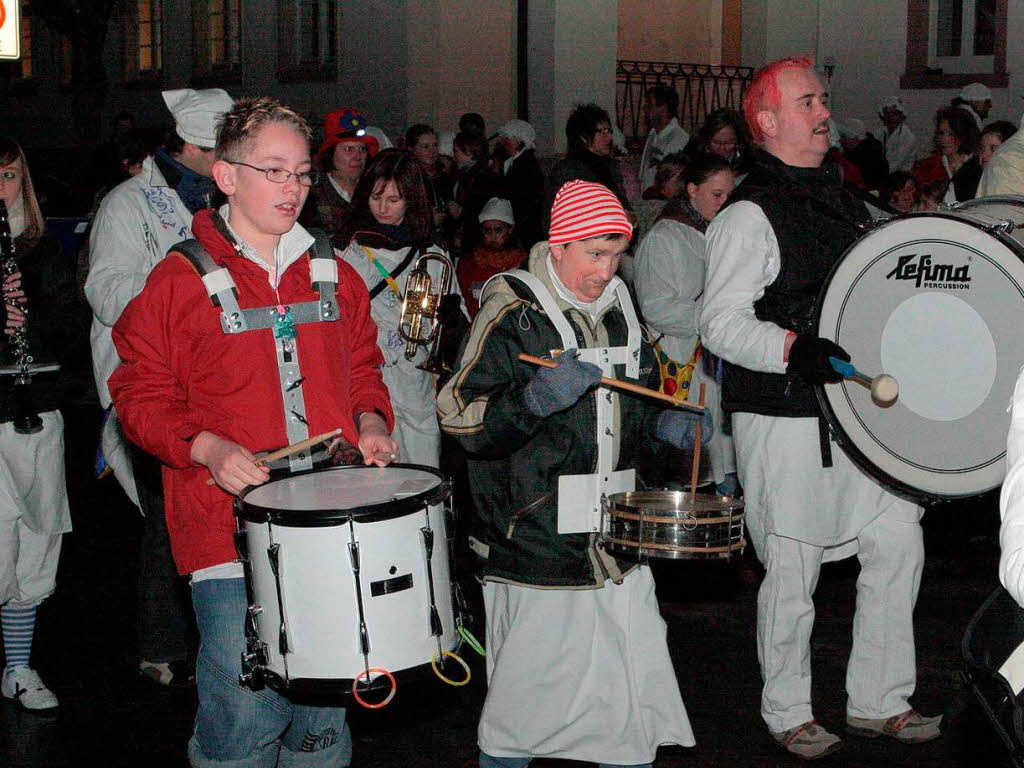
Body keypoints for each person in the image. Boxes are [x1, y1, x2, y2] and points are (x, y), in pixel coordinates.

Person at [108, 96, 397, 768]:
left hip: (327, 526)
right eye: (273, 171)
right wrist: (205, 447)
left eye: (300, 173)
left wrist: (372, 422)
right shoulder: (180, 279)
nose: (292, 189)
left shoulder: (332, 269)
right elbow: (139, 394)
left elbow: (362, 365)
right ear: (228, 177)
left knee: (322, 720)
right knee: (244, 713)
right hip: (223, 530)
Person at [700, 56, 941, 759]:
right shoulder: (747, 214)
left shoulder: (842, 199)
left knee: (898, 541)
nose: (824, 112)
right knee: (794, 570)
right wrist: (788, 347)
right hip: (782, 418)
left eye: (824, 99)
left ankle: (879, 700)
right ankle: (787, 710)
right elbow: (718, 322)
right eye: (808, 102)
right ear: (768, 122)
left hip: (858, 416)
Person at [438, 179, 704, 767]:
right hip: (535, 543)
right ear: (557, 245)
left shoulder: (622, 310)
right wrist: (531, 401)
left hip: (617, 542)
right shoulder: (512, 309)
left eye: (616, 255)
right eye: (593, 253)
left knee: (629, 702)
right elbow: (458, 414)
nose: (607, 270)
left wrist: (660, 428)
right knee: (522, 711)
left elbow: (634, 398)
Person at [85, 87, 234, 688]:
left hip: (213, 378)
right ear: (196, 147)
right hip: (152, 379)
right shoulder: (127, 204)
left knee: (210, 504)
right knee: (162, 514)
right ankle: (161, 643)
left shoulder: (223, 200)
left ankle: (216, 640)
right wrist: (176, 297)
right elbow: (105, 289)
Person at [0, 137, 88, 712]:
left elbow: (71, 329)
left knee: (36, 535)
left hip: (34, 411)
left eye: (7, 177)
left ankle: (19, 666)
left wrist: (29, 309)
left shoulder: (42, 252)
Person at [336, 148, 465, 468]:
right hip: (368, 375)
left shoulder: (432, 251)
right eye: (376, 197)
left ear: (412, 200)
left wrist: (450, 320)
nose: (383, 208)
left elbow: (455, 310)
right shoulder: (347, 249)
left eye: (394, 200)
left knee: (423, 467)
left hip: (417, 374)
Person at [634, 153, 737, 495]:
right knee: (688, 471)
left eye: (728, 196)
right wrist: (712, 317)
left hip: (714, 365)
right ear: (692, 190)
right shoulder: (664, 239)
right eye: (716, 195)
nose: (724, 203)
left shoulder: (716, 234)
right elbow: (656, 308)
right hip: (681, 365)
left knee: (721, 462)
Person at [545, 103, 631, 228]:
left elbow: (623, 205)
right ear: (584, 137)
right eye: (603, 132)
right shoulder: (569, 171)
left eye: (609, 131)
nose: (610, 137)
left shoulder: (610, 167)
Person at [300, 107, 379, 233]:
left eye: (362, 149)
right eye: (348, 149)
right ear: (330, 154)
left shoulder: (375, 193)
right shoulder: (311, 196)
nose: (358, 157)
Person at [456, 197, 527, 318]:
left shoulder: (523, 264)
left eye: (498, 230)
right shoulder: (468, 264)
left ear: (510, 229)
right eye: (487, 230)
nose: (493, 236)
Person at [449, 131, 503, 254]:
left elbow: (480, 209)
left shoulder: (480, 177)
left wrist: (461, 212)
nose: (454, 155)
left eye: (456, 151)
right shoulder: (466, 174)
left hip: (476, 238)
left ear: (469, 152)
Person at [913, 107, 981, 204]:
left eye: (951, 134)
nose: (944, 139)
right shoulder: (928, 166)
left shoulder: (976, 166)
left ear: (963, 135)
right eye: (941, 133)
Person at [495, 119, 544, 249]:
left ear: (518, 141)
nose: (505, 143)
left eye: (508, 139)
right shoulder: (518, 163)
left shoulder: (524, 166)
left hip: (524, 229)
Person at [638, 83, 690, 195]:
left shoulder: (679, 138)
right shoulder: (653, 133)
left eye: (650, 105)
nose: (645, 109)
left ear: (663, 108)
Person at [405, 124, 453, 242]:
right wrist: (429, 220)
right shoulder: (406, 178)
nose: (432, 151)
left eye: (435, 145)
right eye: (425, 147)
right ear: (412, 149)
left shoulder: (443, 176)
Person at [685, 107, 753, 174]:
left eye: (728, 143)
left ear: (738, 141)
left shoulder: (749, 160)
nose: (721, 148)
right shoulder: (694, 153)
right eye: (716, 143)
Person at [978, 111, 1024, 196]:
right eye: (982, 148)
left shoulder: (1011, 184)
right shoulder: (969, 181)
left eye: (994, 149)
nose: (984, 155)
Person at [835, 118, 888, 192]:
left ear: (856, 138)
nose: (841, 140)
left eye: (844, 137)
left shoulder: (869, 157)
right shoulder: (857, 151)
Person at [878, 96, 917, 174]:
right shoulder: (880, 133)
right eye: (887, 113)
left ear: (901, 115)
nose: (890, 117)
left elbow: (894, 165)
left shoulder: (907, 137)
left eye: (894, 113)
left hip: (900, 177)